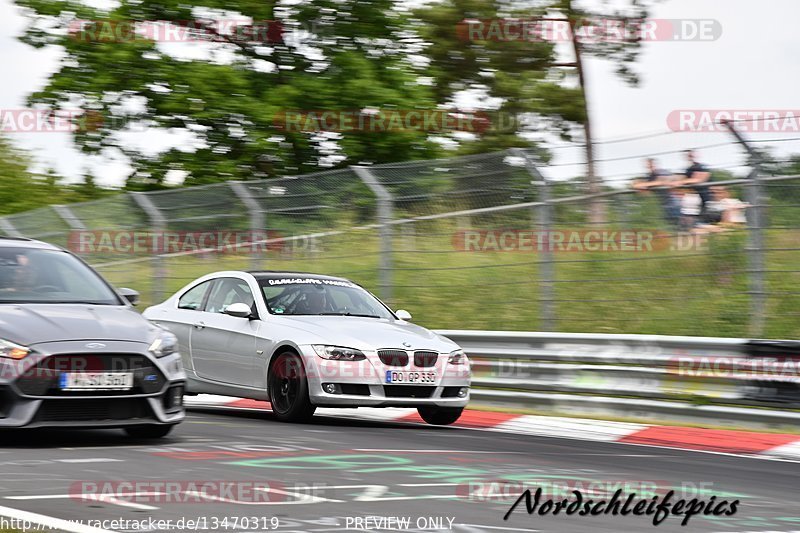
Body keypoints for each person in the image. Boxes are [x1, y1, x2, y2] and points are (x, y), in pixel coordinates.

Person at [632, 158, 680, 227]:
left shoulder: (662, 172)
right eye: (648, 165)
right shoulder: (649, 177)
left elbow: (661, 181)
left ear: (656, 164)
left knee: (677, 228)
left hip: (672, 205)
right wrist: (639, 187)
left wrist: (642, 185)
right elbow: (646, 192)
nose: (650, 167)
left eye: (651, 164)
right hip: (661, 207)